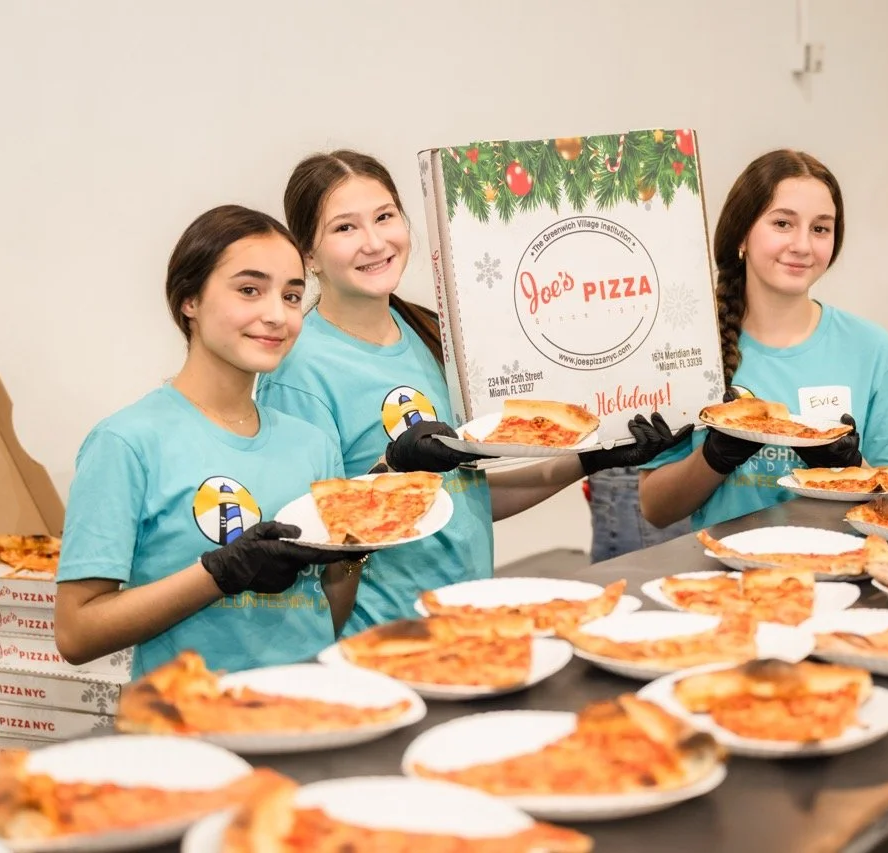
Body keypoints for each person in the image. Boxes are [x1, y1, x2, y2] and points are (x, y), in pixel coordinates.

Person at [256, 150, 690, 633]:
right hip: (384, 636)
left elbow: (471, 496)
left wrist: (593, 459)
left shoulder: (430, 333)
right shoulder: (300, 372)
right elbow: (310, 543)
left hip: (468, 619)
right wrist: (391, 473)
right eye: (345, 228)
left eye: (384, 217)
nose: (375, 242)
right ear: (308, 255)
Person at [54, 205, 366, 678]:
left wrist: (362, 539)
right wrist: (218, 574)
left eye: (292, 296)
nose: (276, 315)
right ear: (189, 300)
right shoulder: (126, 442)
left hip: (312, 713)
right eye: (249, 290)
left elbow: (326, 608)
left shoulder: (313, 443)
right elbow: (76, 634)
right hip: (189, 729)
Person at [640, 149, 888, 530]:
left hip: (839, 567)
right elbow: (656, 509)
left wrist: (850, 470)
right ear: (742, 235)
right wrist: (715, 458)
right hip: (724, 576)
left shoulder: (873, 350)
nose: (802, 245)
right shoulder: (688, 351)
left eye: (820, 228)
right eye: (783, 223)